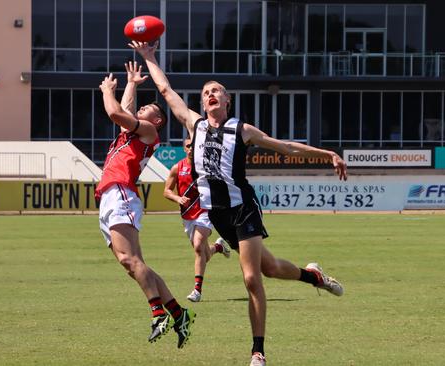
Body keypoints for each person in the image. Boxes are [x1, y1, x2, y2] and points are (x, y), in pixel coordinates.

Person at [132, 41, 346, 366]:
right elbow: (164, 88)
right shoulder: (195, 125)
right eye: (206, 92)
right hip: (218, 216)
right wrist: (149, 57)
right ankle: (313, 276)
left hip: (243, 207)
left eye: (217, 90)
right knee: (270, 269)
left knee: (251, 278)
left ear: (227, 100)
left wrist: (327, 153)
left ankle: (257, 351)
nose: (210, 94)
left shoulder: (241, 130)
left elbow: (286, 148)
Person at [96, 61, 195, 348]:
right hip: (110, 196)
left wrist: (106, 90)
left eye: (147, 108)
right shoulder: (130, 133)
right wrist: (131, 84)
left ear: (158, 120)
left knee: (130, 260)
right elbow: (125, 110)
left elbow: (115, 112)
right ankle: (179, 314)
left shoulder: (149, 131)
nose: (141, 110)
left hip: (121, 193)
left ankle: (157, 314)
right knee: (134, 265)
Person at [163, 137, 231, 302]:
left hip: (205, 211)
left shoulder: (206, 165)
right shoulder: (177, 168)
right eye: (188, 146)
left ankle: (197, 290)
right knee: (204, 253)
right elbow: (166, 191)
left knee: (199, 246)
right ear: (184, 149)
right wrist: (177, 198)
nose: (191, 148)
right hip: (187, 215)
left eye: (194, 145)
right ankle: (218, 247)